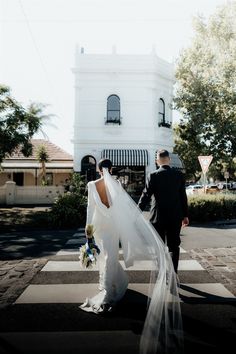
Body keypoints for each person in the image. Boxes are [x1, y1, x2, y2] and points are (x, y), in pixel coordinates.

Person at [80, 158, 183, 354]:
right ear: (111, 169)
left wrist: (88, 231)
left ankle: (108, 291)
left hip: (99, 227)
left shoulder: (91, 184)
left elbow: (90, 209)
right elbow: (121, 208)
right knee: (110, 256)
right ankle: (108, 284)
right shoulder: (116, 184)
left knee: (105, 256)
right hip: (112, 227)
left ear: (98, 169)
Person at [138, 149, 189, 273]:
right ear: (169, 160)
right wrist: (185, 215)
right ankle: (174, 274)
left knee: (158, 247)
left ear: (157, 161)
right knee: (174, 246)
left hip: (157, 217)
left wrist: (137, 211)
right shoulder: (179, 175)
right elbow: (183, 196)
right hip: (175, 217)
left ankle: (161, 273)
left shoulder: (153, 175)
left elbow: (145, 195)